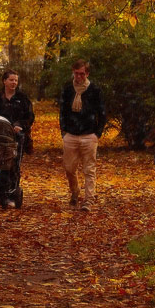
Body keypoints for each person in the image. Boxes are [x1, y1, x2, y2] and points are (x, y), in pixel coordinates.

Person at [0, 69, 35, 206]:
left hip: (16, 137)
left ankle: (9, 193)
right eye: (11, 80)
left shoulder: (22, 99)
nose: (14, 82)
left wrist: (20, 125)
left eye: (16, 80)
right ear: (4, 81)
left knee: (12, 164)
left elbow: (29, 117)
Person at [59, 59, 106, 211]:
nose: (79, 77)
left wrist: (97, 133)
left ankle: (88, 200)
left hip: (89, 135)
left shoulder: (95, 90)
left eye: (82, 74)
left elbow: (102, 113)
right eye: (76, 73)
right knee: (69, 168)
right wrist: (64, 131)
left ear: (87, 73)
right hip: (71, 134)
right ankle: (75, 192)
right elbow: (63, 111)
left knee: (89, 169)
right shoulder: (68, 89)